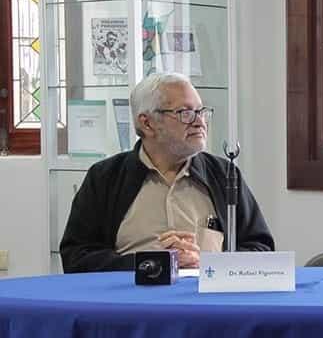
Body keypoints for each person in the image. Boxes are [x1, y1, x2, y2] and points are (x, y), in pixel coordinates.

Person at [60, 72, 274, 272]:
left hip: (207, 304)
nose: (199, 122)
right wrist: (150, 264)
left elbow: (262, 250)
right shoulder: (105, 177)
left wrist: (207, 263)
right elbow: (76, 257)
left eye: (201, 112)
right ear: (147, 123)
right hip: (131, 305)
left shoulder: (224, 174)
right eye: (185, 113)